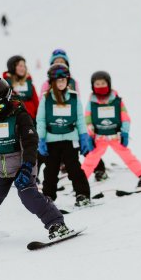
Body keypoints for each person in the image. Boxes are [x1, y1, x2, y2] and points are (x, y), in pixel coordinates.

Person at [0, 78, 71, 246]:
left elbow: (30, 143)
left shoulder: (20, 117)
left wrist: (27, 167)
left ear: (7, 99)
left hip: (22, 166)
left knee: (29, 197)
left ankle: (56, 223)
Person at [81, 71, 141, 187]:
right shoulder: (91, 102)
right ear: (93, 85)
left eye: (103, 83)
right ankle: (79, 183)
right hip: (99, 138)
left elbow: (125, 117)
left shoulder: (116, 100)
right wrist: (90, 136)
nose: (101, 86)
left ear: (109, 84)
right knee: (90, 160)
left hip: (115, 136)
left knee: (128, 157)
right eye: (97, 84)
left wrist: (125, 132)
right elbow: (87, 118)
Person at [36, 63, 94, 206]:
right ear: (52, 82)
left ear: (67, 80)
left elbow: (80, 119)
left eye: (63, 80)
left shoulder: (74, 98)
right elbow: (41, 120)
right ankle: (48, 196)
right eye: (58, 80)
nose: (61, 83)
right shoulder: (46, 98)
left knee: (74, 168)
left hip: (70, 139)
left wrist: (84, 137)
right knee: (51, 170)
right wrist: (41, 139)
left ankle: (82, 195)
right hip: (51, 140)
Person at [3, 55, 39, 120]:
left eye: (24, 66)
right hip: (13, 119)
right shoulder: (5, 85)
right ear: (12, 67)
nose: (23, 68)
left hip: (30, 119)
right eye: (20, 66)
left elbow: (36, 103)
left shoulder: (29, 85)